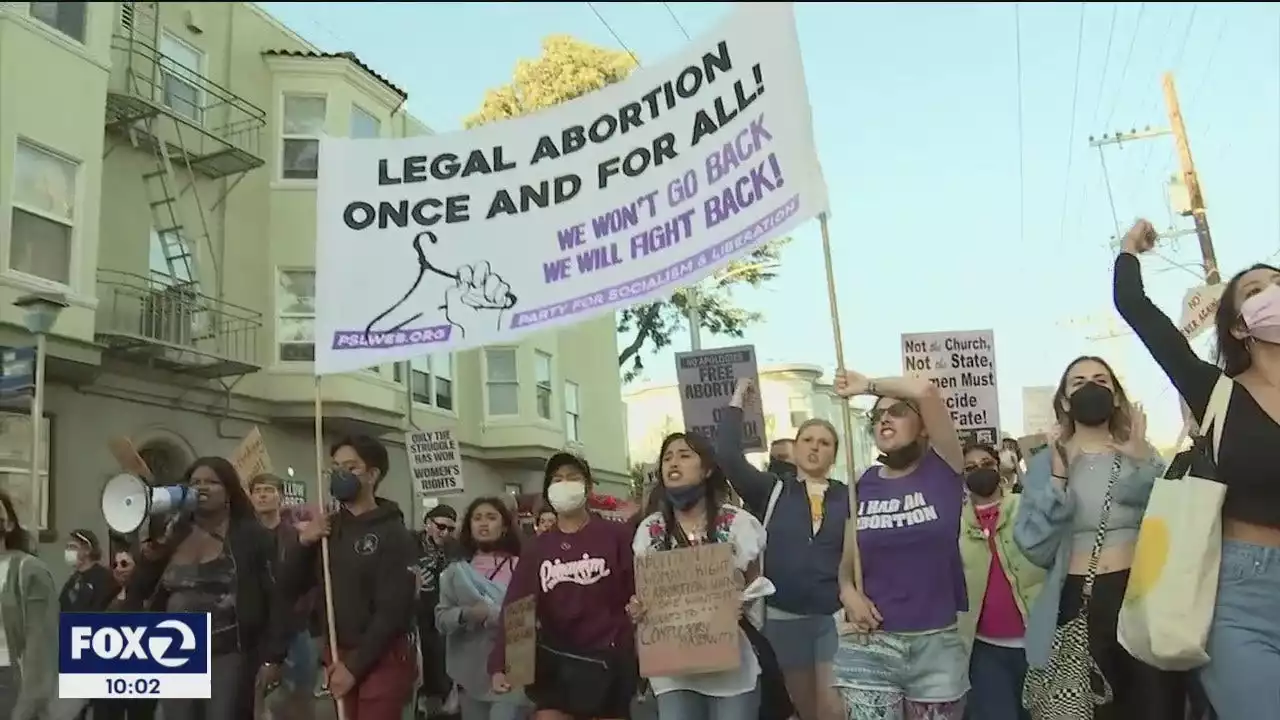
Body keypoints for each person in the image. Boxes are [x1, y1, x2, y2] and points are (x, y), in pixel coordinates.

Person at [1114, 218, 1280, 720]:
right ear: (1237, 324)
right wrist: (1128, 252)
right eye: (1256, 290)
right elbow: (1136, 309)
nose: (1272, 292)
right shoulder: (1216, 391)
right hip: (1241, 596)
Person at [1013, 354, 1178, 719]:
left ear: (1117, 396)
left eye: (1102, 381)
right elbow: (1033, 546)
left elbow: (1172, 520)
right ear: (1065, 401)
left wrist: (1142, 461)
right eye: (1079, 382)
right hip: (1077, 600)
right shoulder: (1046, 463)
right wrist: (1057, 480)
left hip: (1142, 596)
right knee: (1086, 709)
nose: (1091, 387)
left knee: (1155, 705)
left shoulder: (1145, 455)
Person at [832, 370, 970, 720]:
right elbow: (848, 565)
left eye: (897, 412)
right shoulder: (861, 484)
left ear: (923, 426)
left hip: (935, 647)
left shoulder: (945, 469)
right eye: (877, 416)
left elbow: (925, 389)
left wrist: (866, 387)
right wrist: (848, 592)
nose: (884, 420)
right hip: (871, 643)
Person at [715, 378, 848, 720]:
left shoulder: (850, 496)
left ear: (835, 452)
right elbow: (728, 455)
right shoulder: (772, 490)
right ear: (796, 447)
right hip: (783, 618)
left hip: (832, 617)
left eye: (825, 442)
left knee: (833, 710)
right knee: (804, 709)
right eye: (808, 440)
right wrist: (737, 401)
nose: (815, 447)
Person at [128, 456, 289, 720]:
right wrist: (151, 557)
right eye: (195, 482)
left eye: (211, 482)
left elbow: (277, 598)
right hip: (175, 654)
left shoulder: (251, 536)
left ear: (228, 491)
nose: (202, 488)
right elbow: (139, 591)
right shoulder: (174, 534)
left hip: (228, 654)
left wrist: (274, 657)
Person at [630, 432, 770, 719]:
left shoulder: (739, 524)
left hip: (730, 669)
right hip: (672, 672)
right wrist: (638, 609)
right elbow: (644, 592)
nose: (673, 463)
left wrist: (740, 600)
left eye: (684, 455)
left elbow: (757, 582)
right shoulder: (649, 530)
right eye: (667, 457)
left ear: (707, 469)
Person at [489, 452, 637, 720]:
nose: (564, 483)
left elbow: (638, 590)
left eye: (572, 477)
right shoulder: (537, 547)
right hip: (558, 664)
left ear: (588, 487)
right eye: (557, 479)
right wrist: (503, 662)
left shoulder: (617, 537)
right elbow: (517, 605)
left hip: (610, 662)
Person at [281, 434, 418, 720]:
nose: (341, 474)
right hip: (337, 652)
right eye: (335, 467)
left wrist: (354, 668)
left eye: (351, 467)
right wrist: (304, 542)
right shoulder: (327, 529)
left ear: (373, 474)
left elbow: (392, 612)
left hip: (381, 657)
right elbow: (288, 585)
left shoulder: (395, 534)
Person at [957, 443, 1044, 720]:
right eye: (970, 468)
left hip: (1038, 645)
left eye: (986, 463)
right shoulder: (955, 523)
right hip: (985, 650)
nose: (980, 471)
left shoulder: (1027, 506)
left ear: (999, 468)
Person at [437, 497, 529, 720]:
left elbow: (528, 619)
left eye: (491, 517)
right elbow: (440, 620)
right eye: (477, 518)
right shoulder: (455, 572)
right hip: (471, 673)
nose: (483, 523)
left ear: (505, 526)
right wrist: (467, 614)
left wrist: (492, 614)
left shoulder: (522, 567)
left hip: (513, 669)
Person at [252, 473, 319, 720]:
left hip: (296, 624)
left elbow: (310, 579)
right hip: (258, 625)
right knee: (256, 697)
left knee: (299, 697)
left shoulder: (296, 535)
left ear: (280, 496)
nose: (262, 495)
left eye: (268, 490)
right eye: (257, 490)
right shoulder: (244, 535)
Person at [0, 490, 56, 720]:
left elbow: (40, 645)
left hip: (8, 684)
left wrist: (27, 707)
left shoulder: (29, 571)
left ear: (10, 524)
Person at [95, 546, 157, 720]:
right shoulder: (108, 596)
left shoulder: (148, 599)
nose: (119, 569)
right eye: (115, 564)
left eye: (124, 564)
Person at [417, 505, 458, 715]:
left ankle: (444, 695)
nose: (445, 533)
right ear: (427, 524)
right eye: (441, 527)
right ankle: (422, 697)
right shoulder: (411, 544)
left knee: (442, 655)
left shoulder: (455, 549)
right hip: (416, 612)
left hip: (443, 610)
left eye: (451, 529)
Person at [59, 529, 117, 612]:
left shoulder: (104, 578)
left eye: (73, 547)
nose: (68, 551)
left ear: (87, 550)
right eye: (67, 547)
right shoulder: (73, 579)